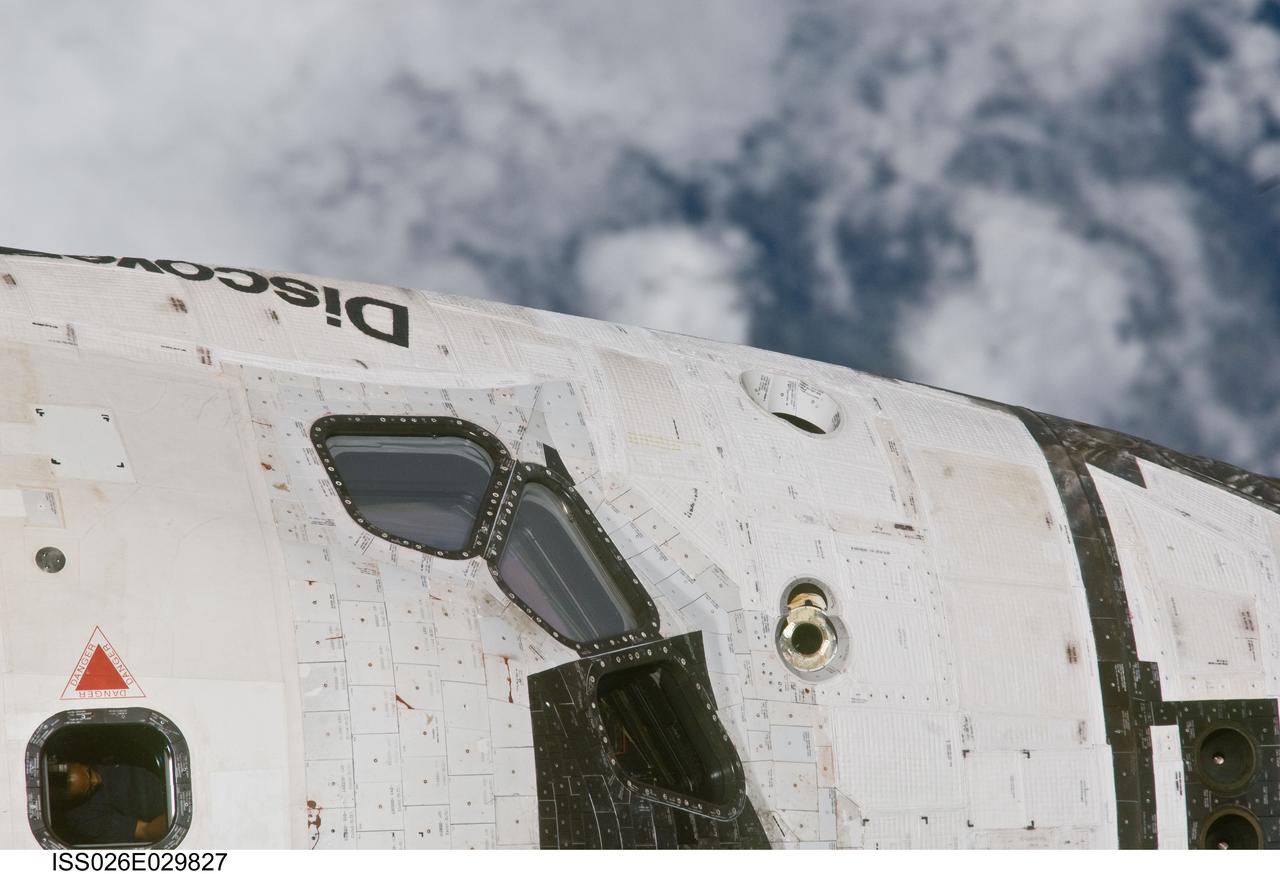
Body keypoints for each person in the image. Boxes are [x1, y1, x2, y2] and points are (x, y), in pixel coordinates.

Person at [48, 762, 168, 844]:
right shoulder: (84, 820)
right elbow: (146, 831)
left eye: (89, 772)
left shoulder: (83, 749)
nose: (97, 780)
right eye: (89, 789)